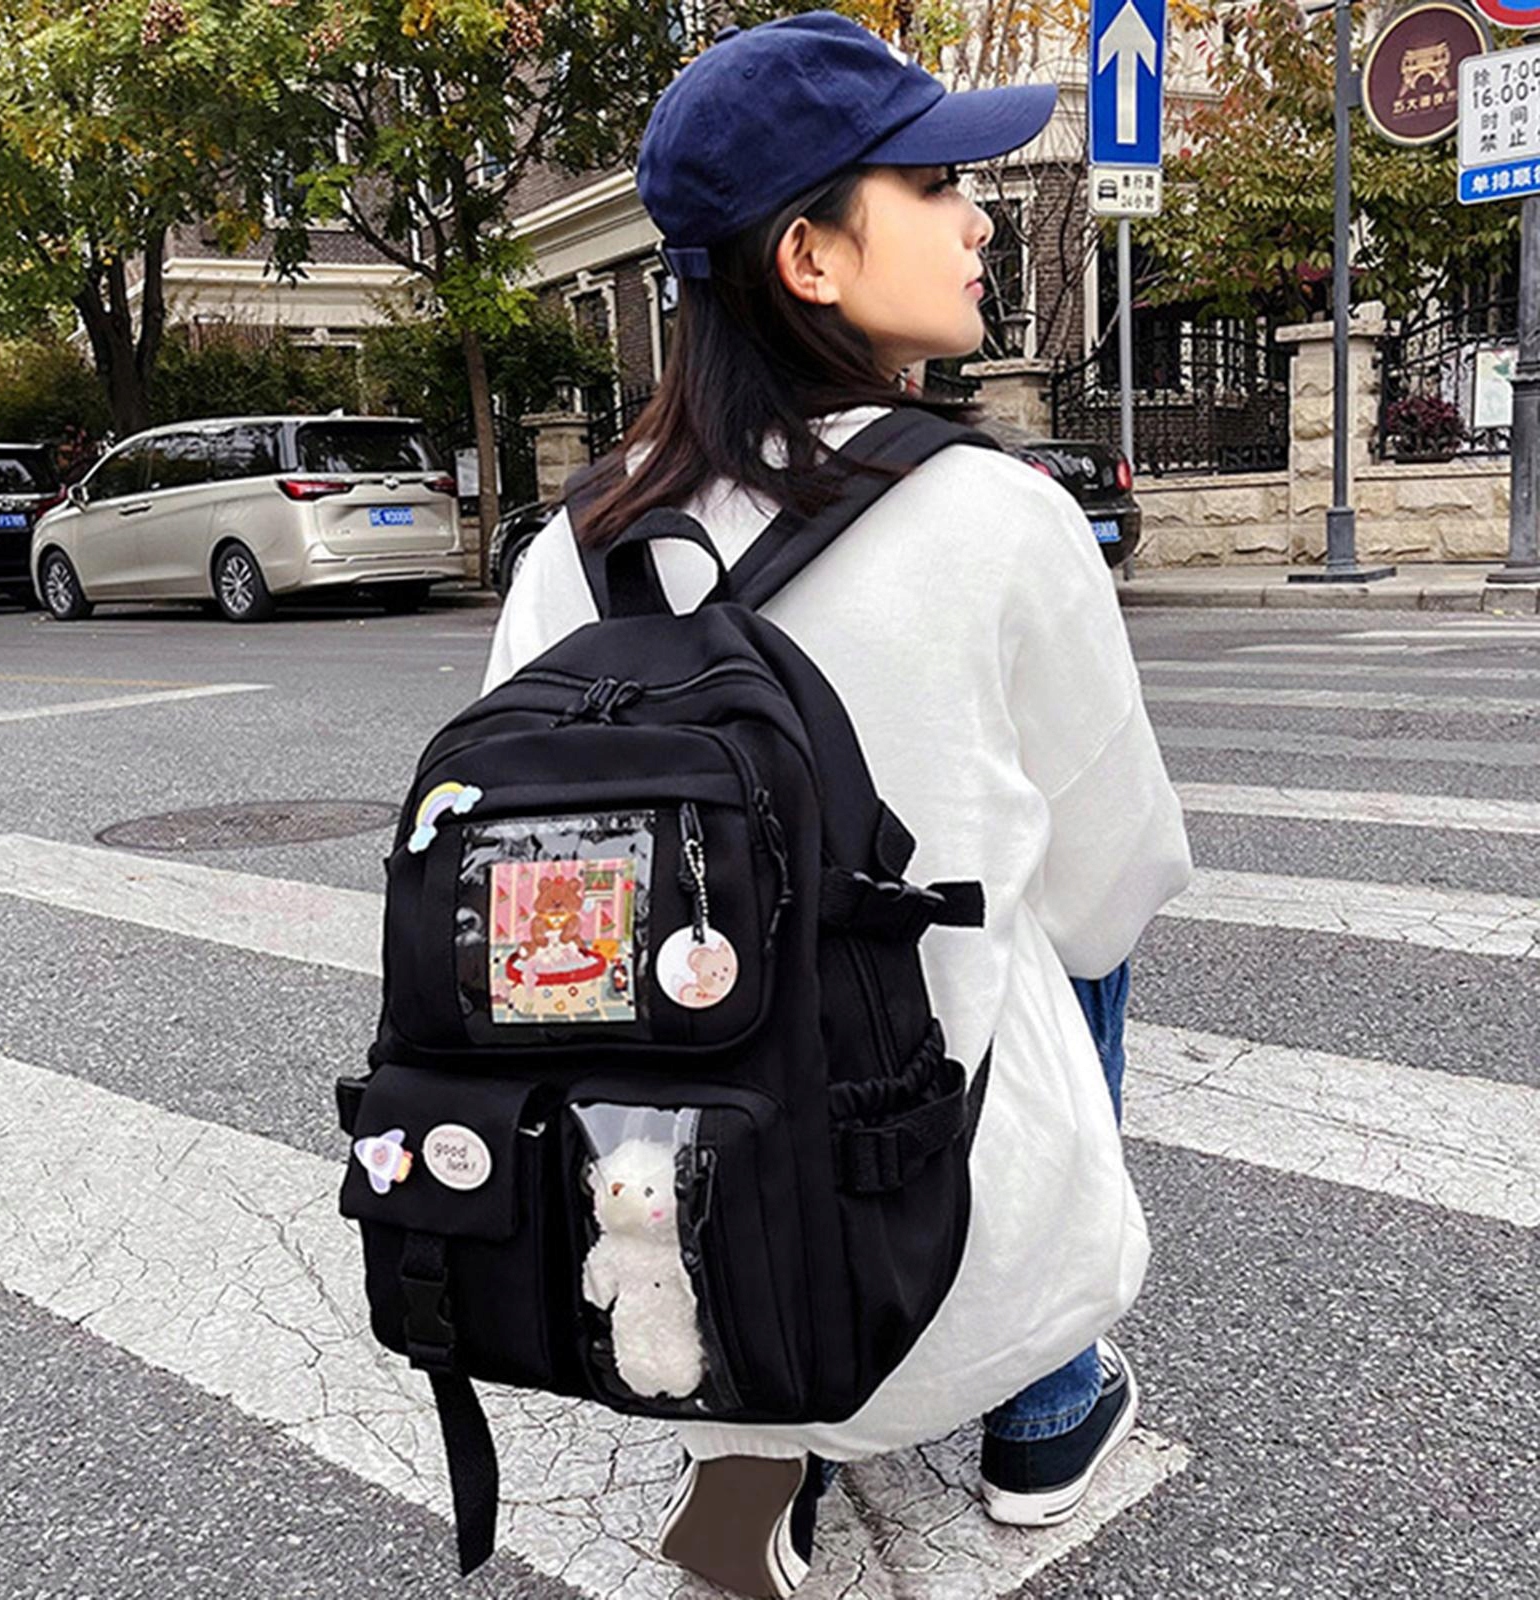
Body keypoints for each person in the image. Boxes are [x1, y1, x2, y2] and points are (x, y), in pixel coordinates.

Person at [481, 13, 1192, 1595]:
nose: (979, 219)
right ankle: (1043, 1410)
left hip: (680, 1180)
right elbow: (1113, 883)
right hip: (935, 1212)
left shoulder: (576, 545)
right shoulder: (1000, 514)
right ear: (809, 256)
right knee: (1073, 929)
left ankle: (750, 1444)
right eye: (934, 185)